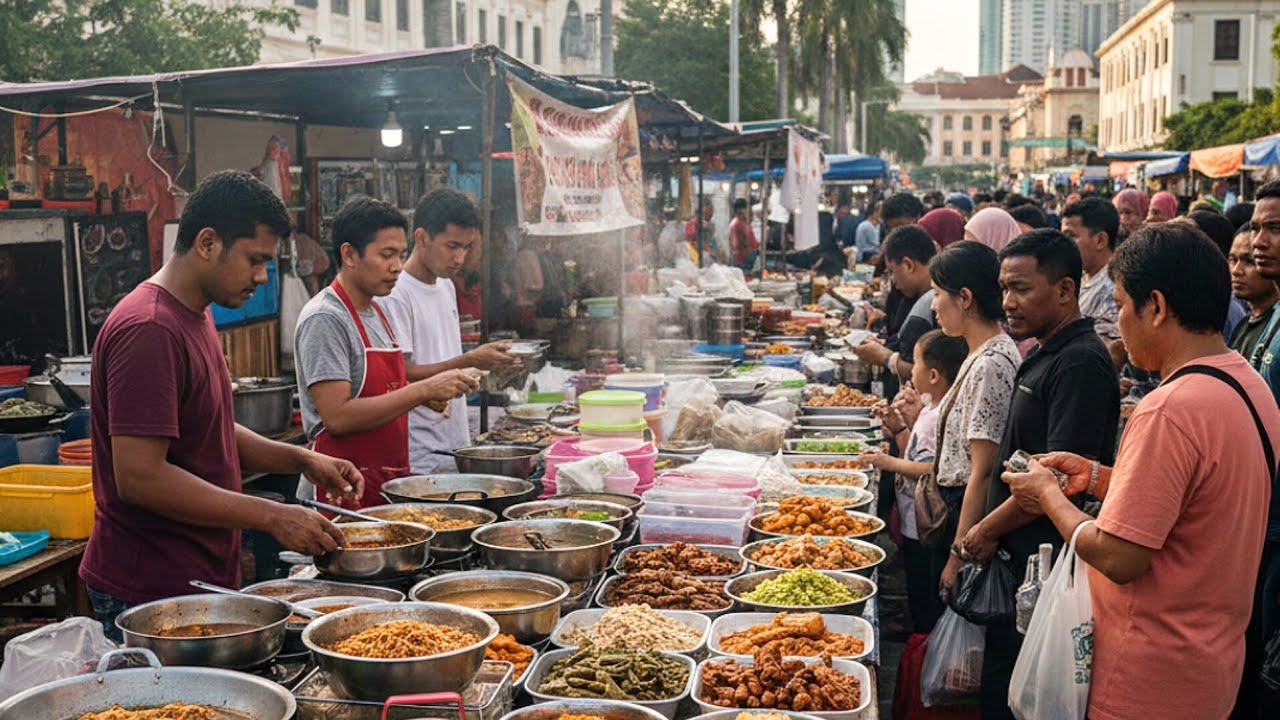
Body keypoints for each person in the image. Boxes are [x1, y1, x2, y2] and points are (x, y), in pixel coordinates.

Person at [1004, 222, 1279, 720]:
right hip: (1210, 669)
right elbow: (1202, 504)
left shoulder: (1168, 409)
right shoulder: (1249, 387)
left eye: (1121, 306)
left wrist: (1049, 496)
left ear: (1155, 306)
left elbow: (1119, 557)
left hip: (1145, 676)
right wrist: (1099, 477)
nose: (1118, 324)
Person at [81, 171, 363, 638]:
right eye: (254, 260)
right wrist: (272, 515)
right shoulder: (149, 328)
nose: (260, 276)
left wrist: (301, 459)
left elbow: (210, 427)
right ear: (208, 243)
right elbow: (140, 477)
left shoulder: (195, 313)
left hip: (196, 578)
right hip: (150, 590)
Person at [959, 229, 1120, 719]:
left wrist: (986, 528)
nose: (1008, 301)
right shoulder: (1043, 349)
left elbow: (1053, 478)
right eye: (1004, 288)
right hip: (1015, 559)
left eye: (1022, 289)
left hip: (1040, 567)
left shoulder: (1080, 364)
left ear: (1066, 290)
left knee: (1018, 694)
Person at [294, 197, 479, 509]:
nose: (397, 266)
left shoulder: (378, 311)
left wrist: (424, 396)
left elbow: (385, 392)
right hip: (338, 493)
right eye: (386, 255)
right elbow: (337, 417)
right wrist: (422, 390)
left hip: (385, 484)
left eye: (401, 254)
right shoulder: (326, 318)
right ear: (349, 254)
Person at [382, 189, 522, 475]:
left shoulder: (445, 284)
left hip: (454, 444)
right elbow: (399, 375)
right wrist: (470, 361)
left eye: (467, 247)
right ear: (421, 238)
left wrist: (486, 365)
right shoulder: (396, 294)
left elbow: (445, 360)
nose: (460, 257)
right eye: (452, 246)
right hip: (419, 453)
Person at [928, 241, 1022, 602]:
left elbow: (982, 471)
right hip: (957, 507)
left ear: (964, 298)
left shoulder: (991, 364)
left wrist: (957, 556)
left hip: (965, 513)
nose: (934, 305)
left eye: (938, 294)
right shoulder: (979, 352)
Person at [861, 329, 968, 632]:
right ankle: (915, 632)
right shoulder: (930, 410)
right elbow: (916, 452)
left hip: (926, 523)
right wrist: (896, 428)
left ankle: (922, 645)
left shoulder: (939, 416)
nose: (910, 372)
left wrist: (888, 462)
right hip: (912, 519)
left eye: (916, 364)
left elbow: (933, 468)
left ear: (933, 375)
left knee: (924, 588)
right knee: (914, 581)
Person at [852, 225, 938, 381]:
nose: (892, 280)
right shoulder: (915, 297)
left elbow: (931, 373)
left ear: (908, 265)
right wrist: (887, 344)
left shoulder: (933, 302)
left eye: (892, 271)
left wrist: (885, 357)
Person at [1060, 197, 1120, 331]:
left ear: (1100, 240)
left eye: (1071, 236)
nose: (1063, 243)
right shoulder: (1078, 276)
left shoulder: (1113, 291)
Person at [1229, 223, 1280, 361]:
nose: (1236, 270)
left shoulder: (1275, 330)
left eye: (1249, 262)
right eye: (1233, 260)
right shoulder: (1245, 324)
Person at [727, 197, 760, 273]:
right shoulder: (738, 224)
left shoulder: (741, 222)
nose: (744, 214)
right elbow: (742, 243)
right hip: (743, 259)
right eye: (741, 213)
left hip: (743, 257)